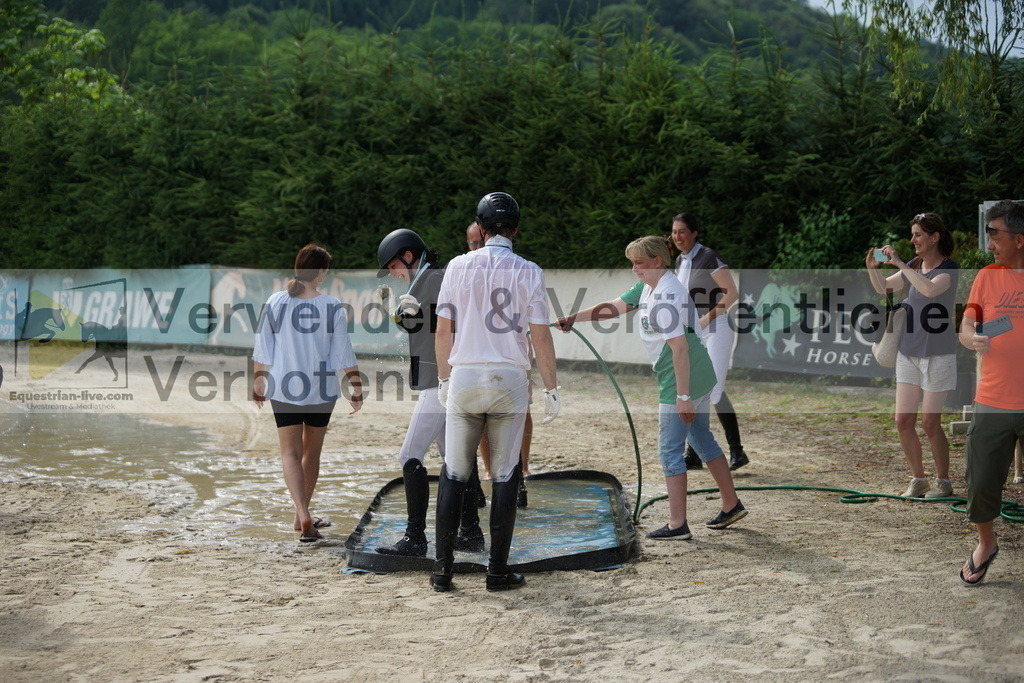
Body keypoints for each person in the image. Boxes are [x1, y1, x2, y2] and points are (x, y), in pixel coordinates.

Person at [558, 236, 748, 540]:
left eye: (639, 263)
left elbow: (680, 349)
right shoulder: (649, 286)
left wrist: (683, 396)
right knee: (701, 438)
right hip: (695, 372)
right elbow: (615, 306)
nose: (634, 269)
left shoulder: (667, 296)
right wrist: (574, 318)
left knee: (670, 451)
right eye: (632, 262)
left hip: (681, 374)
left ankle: (677, 525)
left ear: (658, 261)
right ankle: (731, 504)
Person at [431, 192, 560, 592]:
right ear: (515, 229)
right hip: (509, 379)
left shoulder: (457, 265)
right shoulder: (529, 271)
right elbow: (540, 336)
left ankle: (442, 570)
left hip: (466, 376)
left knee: (454, 472)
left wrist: (443, 378)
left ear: (481, 229)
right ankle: (497, 571)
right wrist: (552, 388)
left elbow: (442, 331)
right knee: (504, 475)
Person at [373, 229, 485, 557]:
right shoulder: (423, 281)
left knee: (409, 455)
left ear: (408, 255)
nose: (393, 273)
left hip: (439, 383)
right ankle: (471, 532)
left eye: (393, 266)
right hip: (438, 380)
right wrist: (398, 309)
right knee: (454, 458)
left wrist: (407, 310)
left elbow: (442, 328)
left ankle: (415, 538)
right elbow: (417, 326)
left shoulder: (434, 279)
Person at [252, 244, 364, 542]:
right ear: (321, 274)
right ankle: (303, 516)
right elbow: (343, 353)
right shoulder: (332, 306)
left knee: (290, 453)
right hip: (321, 391)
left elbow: (263, 345)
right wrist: (356, 385)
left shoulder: (276, 301)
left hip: (283, 388)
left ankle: (301, 514)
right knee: (311, 454)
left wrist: (258, 380)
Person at [866, 212, 959, 498]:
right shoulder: (915, 265)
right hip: (908, 353)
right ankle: (918, 479)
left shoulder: (949, 268)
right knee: (902, 420)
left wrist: (898, 263)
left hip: (938, 355)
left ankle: (943, 482)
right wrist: (872, 268)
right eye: (913, 234)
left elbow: (929, 289)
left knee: (930, 423)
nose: (913, 240)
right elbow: (886, 288)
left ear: (934, 237)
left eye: (918, 234)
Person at [957, 199, 1024, 585]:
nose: (989, 243)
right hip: (993, 399)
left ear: (1018, 238)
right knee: (980, 482)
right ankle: (986, 543)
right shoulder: (987, 275)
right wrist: (973, 339)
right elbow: (965, 328)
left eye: (994, 235)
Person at [670, 213, 749, 471]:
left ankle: (736, 451)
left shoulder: (708, 257)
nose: (678, 236)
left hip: (716, 328)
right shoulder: (681, 260)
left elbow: (732, 293)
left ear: (694, 233)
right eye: (674, 232)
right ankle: (694, 455)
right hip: (695, 333)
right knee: (696, 389)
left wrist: (706, 318)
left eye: (682, 231)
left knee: (712, 390)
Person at [467, 221, 532, 509]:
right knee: (480, 416)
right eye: (472, 244)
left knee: (519, 413)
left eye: (479, 241)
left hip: (512, 358)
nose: (478, 248)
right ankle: (489, 469)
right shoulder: (466, 272)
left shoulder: (515, 269)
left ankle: (522, 470)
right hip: (477, 361)